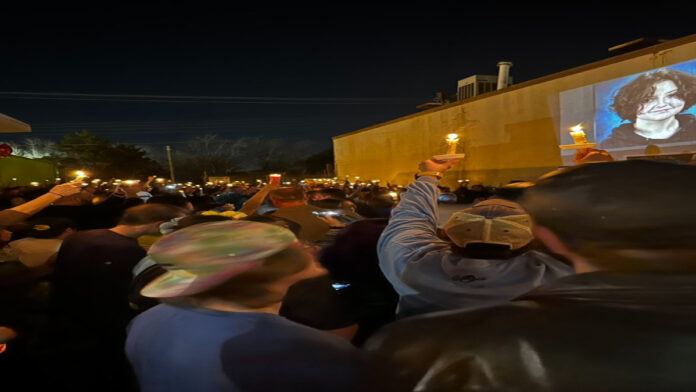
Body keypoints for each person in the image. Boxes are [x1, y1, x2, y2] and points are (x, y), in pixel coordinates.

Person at [365, 160, 696, 391]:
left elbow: (409, 220)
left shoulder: (411, 292)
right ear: (544, 238)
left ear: (449, 235)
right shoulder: (560, 278)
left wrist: (427, 177)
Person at [126, 220, 368, 391]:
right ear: (276, 275)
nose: (312, 252)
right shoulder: (296, 345)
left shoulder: (148, 319)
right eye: (301, 253)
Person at [378, 157, 572, 316]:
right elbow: (592, 225)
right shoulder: (560, 274)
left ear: (446, 232)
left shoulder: (412, 264)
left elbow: (410, 216)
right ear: (539, 236)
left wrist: (429, 176)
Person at [46, 203, 188, 390]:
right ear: (158, 225)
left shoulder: (81, 236)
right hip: (103, 327)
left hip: (65, 315)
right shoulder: (126, 250)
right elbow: (124, 292)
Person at [600, 68, 696, 149]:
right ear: (629, 104)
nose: (662, 104)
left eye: (672, 95)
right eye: (648, 99)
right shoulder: (611, 145)